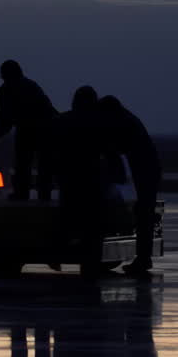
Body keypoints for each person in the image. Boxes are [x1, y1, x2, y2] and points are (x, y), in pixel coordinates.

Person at [99, 95, 162, 274]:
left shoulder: (122, 122)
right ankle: (143, 259)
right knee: (144, 214)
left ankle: (143, 259)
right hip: (147, 169)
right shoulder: (127, 119)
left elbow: (112, 149)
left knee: (143, 214)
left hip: (145, 171)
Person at [54, 86, 110, 275]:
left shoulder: (63, 120)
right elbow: (108, 150)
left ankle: (59, 254)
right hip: (92, 177)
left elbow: (53, 148)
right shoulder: (100, 122)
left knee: (67, 217)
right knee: (93, 224)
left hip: (69, 176)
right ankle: (91, 262)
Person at [0, 60, 59, 200]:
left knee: (24, 163)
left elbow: (2, 122)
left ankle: (23, 195)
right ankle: (42, 196)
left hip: (32, 130)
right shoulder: (32, 86)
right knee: (41, 167)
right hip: (46, 130)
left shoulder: (6, 91)